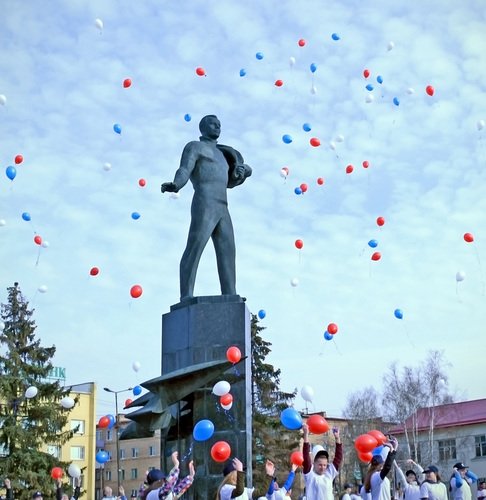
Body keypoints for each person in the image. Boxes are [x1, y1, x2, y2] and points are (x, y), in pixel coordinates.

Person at [161, 114, 252, 302]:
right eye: (213, 123)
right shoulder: (195, 147)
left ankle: (230, 295)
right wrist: (176, 184)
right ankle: (186, 294)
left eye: (219, 124)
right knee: (195, 246)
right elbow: (185, 169)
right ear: (203, 127)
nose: (217, 126)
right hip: (205, 201)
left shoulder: (223, 154)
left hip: (223, 206)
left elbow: (231, 181)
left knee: (228, 251)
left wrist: (241, 173)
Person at [302, 423, 343, 500]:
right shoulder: (310, 476)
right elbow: (306, 457)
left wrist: (337, 438)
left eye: (324, 465)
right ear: (314, 464)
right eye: (320, 465)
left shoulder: (329, 474)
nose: (323, 467)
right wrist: (306, 435)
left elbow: (338, 458)